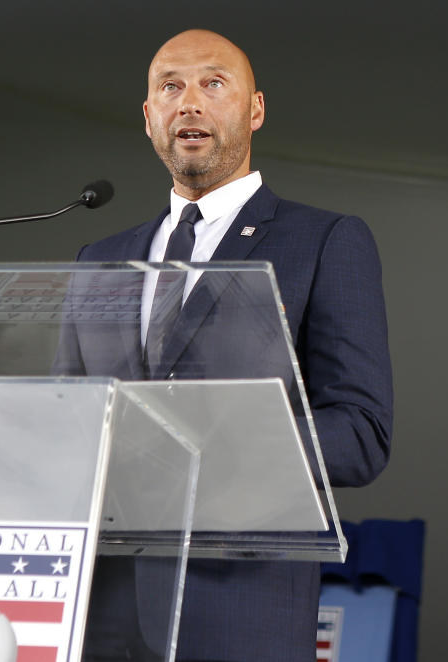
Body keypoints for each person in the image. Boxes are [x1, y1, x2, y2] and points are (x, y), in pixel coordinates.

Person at [52, 29, 393, 662]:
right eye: (169, 87)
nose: (189, 102)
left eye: (213, 83)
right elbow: (67, 422)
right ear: (150, 116)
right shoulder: (98, 258)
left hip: (241, 611)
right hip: (101, 612)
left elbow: (362, 434)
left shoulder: (324, 242)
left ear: (254, 109)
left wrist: (223, 445)